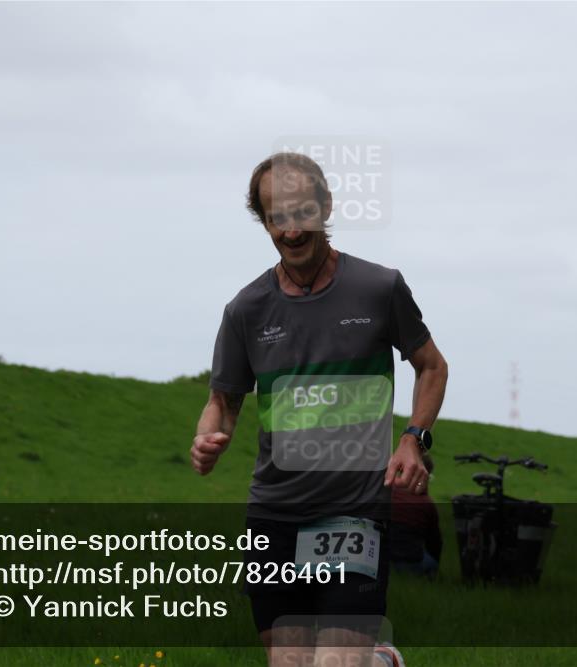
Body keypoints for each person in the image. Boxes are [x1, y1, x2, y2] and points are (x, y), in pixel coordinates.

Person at [190, 152, 448, 666]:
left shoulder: (378, 288)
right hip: (274, 517)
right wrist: (208, 436)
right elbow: (223, 400)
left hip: (354, 514)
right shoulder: (246, 310)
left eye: (301, 212)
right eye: (276, 218)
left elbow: (432, 366)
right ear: (263, 222)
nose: (290, 230)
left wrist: (411, 438)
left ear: (325, 205)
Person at [389, 452, 442, 578]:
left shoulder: (388, 493)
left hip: (381, 562)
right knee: (432, 563)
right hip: (410, 563)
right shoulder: (427, 504)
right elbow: (435, 542)